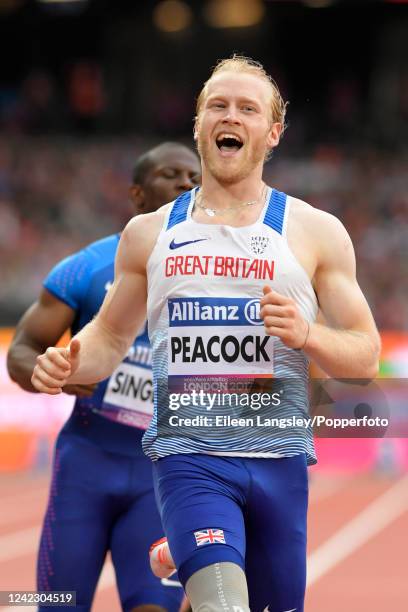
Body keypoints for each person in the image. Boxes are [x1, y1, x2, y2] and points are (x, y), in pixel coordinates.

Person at [30, 56, 381, 612]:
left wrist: (308, 334)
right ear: (198, 124)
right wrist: (71, 362)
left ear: (273, 132)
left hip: (279, 464)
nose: (231, 117)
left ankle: (181, 563)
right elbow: (110, 339)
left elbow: (364, 357)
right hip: (189, 459)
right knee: (224, 606)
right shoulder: (148, 235)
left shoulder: (315, 232)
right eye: (218, 105)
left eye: (248, 108)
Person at [8, 142, 201, 612]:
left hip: (161, 477)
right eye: (171, 175)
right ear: (137, 195)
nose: (185, 184)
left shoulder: (215, 276)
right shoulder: (88, 268)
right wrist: (47, 372)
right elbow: (21, 350)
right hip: (86, 469)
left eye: (195, 178)